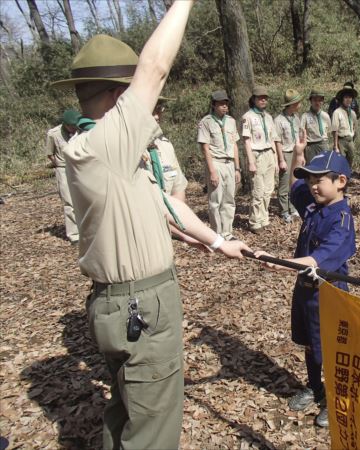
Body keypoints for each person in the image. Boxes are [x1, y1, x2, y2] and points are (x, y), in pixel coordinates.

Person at [51, 4, 251, 448]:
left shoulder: (117, 156)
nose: (152, 111)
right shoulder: (103, 147)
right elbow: (156, 66)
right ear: (117, 100)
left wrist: (218, 241)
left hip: (129, 304)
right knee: (153, 431)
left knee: (128, 412)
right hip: (139, 303)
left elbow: (166, 206)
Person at [255, 149, 356, 429]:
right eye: (311, 179)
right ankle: (315, 387)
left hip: (329, 293)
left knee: (332, 349)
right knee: (311, 345)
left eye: (319, 179)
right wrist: (297, 156)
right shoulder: (313, 205)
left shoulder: (342, 220)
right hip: (304, 290)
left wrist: (281, 263)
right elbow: (295, 185)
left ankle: (335, 399)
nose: (312, 185)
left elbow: (319, 259)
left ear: (340, 182)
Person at [197, 90, 241, 240]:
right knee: (215, 200)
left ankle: (227, 232)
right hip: (216, 162)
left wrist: (237, 168)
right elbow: (205, 148)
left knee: (229, 199)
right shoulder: (206, 122)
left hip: (229, 163)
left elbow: (234, 145)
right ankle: (216, 234)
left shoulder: (231, 121)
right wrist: (212, 171)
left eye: (226, 103)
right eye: (221, 104)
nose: (224, 106)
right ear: (214, 105)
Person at [242, 86, 279, 234]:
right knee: (258, 190)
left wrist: (276, 160)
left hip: (269, 153)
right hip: (256, 155)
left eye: (265, 98)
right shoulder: (248, 117)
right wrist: (250, 161)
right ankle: (255, 222)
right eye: (260, 98)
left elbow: (273, 139)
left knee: (268, 190)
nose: (263, 100)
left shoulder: (269, 117)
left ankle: (264, 219)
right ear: (254, 99)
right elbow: (246, 140)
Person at [46, 109, 81, 244]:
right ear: (65, 124)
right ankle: (74, 235)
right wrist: (60, 166)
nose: (73, 127)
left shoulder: (81, 130)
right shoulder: (53, 134)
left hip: (79, 166)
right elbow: (50, 154)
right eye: (71, 125)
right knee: (69, 202)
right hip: (63, 168)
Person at [145, 97, 188, 201]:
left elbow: (178, 190)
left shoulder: (166, 145)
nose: (156, 116)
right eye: (151, 110)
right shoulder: (124, 149)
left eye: (159, 109)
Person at [274, 89, 303, 223]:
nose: (299, 105)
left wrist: (301, 155)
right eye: (298, 103)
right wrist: (281, 159)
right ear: (291, 104)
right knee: (284, 184)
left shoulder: (296, 118)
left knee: (295, 182)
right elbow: (278, 141)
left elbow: (299, 137)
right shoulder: (279, 120)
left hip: (295, 152)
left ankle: (293, 208)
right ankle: (284, 210)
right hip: (285, 153)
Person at [331, 83, 358, 169]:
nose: (348, 100)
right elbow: (335, 130)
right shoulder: (337, 112)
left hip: (350, 140)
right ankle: (339, 178)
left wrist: (352, 138)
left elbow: (354, 127)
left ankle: (347, 177)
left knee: (350, 160)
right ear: (342, 99)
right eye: (346, 97)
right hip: (341, 140)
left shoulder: (352, 113)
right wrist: (336, 146)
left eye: (350, 98)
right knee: (340, 161)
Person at [300, 90, 331, 163]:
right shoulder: (305, 116)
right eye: (315, 100)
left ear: (322, 102)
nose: (317, 103)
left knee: (324, 167)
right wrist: (302, 153)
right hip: (311, 146)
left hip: (323, 144)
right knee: (311, 168)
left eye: (320, 100)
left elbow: (328, 131)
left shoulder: (326, 116)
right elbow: (301, 136)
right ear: (311, 101)